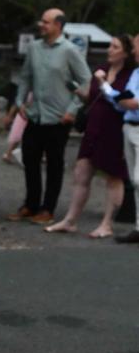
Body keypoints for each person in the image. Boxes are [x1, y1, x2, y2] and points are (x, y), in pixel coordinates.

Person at [5, 8, 90, 225]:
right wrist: (20, 101)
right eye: (41, 21)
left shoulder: (70, 50)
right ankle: (30, 204)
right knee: (30, 160)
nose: (41, 24)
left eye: (46, 22)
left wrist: (72, 109)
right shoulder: (34, 48)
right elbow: (25, 77)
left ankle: (48, 208)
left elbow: (86, 82)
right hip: (35, 115)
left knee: (54, 164)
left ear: (58, 25)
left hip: (58, 118)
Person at [45, 34, 134, 238]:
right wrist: (79, 92)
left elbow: (122, 102)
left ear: (125, 53)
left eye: (115, 46)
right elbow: (94, 96)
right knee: (81, 172)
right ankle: (70, 219)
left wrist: (104, 83)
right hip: (94, 128)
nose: (110, 50)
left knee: (113, 176)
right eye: (110, 46)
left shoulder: (130, 76)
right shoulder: (101, 69)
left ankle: (107, 223)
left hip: (114, 129)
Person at [113, 33, 139, 244]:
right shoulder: (135, 73)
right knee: (133, 179)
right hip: (128, 126)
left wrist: (126, 100)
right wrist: (126, 100)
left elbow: (131, 101)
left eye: (136, 46)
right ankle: (138, 227)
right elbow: (123, 98)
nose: (133, 51)